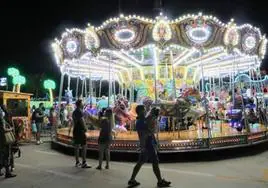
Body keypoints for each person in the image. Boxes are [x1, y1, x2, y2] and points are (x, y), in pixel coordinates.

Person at [128, 105, 171, 187]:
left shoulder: (143, 120)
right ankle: (160, 181)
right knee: (155, 162)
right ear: (140, 111)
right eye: (144, 110)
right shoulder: (140, 122)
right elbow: (143, 135)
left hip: (148, 143)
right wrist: (143, 146)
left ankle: (132, 179)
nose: (145, 111)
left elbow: (149, 128)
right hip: (148, 144)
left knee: (140, 162)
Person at [71, 99, 91, 168]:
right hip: (80, 131)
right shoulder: (79, 111)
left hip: (76, 130)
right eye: (82, 103)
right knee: (84, 146)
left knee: (76, 147)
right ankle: (84, 162)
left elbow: (73, 121)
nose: (83, 104)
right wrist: (85, 128)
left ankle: (77, 162)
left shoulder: (74, 112)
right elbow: (81, 120)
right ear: (80, 104)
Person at [0, 106, 16, 178]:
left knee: (2, 155)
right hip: (3, 140)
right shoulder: (2, 119)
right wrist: (10, 129)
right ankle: (7, 172)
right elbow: (3, 129)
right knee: (6, 155)